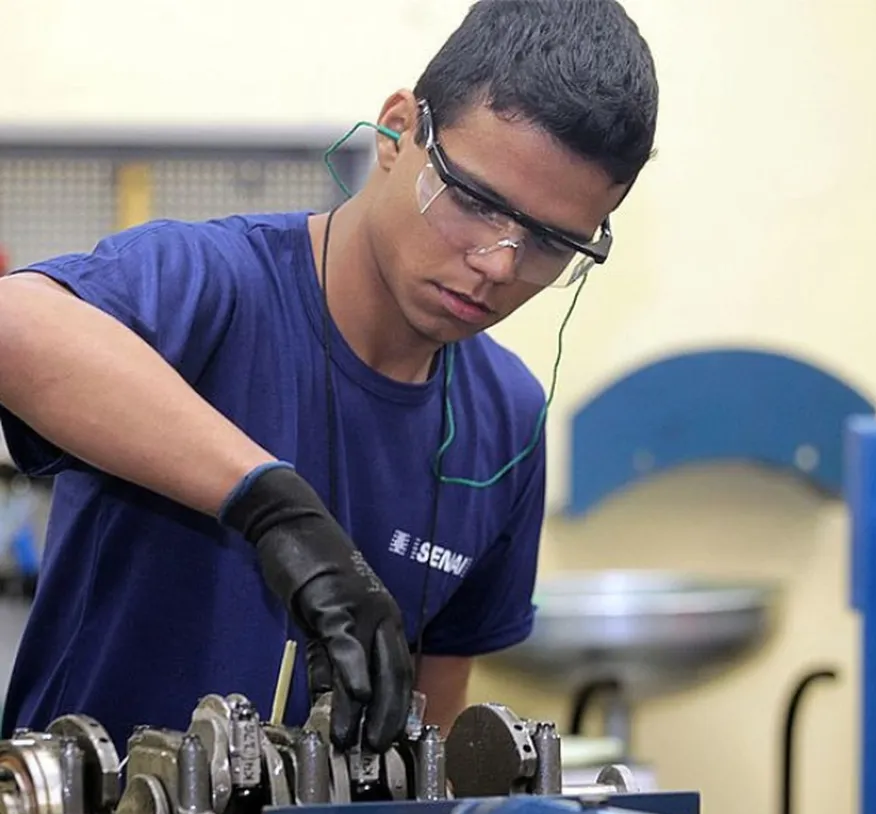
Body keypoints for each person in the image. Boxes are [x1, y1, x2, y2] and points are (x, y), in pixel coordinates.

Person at [0, 0, 659, 756]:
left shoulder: (506, 422)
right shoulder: (217, 288)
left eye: (548, 242)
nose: (498, 263)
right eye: (475, 200)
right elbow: (14, 323)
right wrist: (271, 508)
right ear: (396, 131)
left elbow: (432, 733)